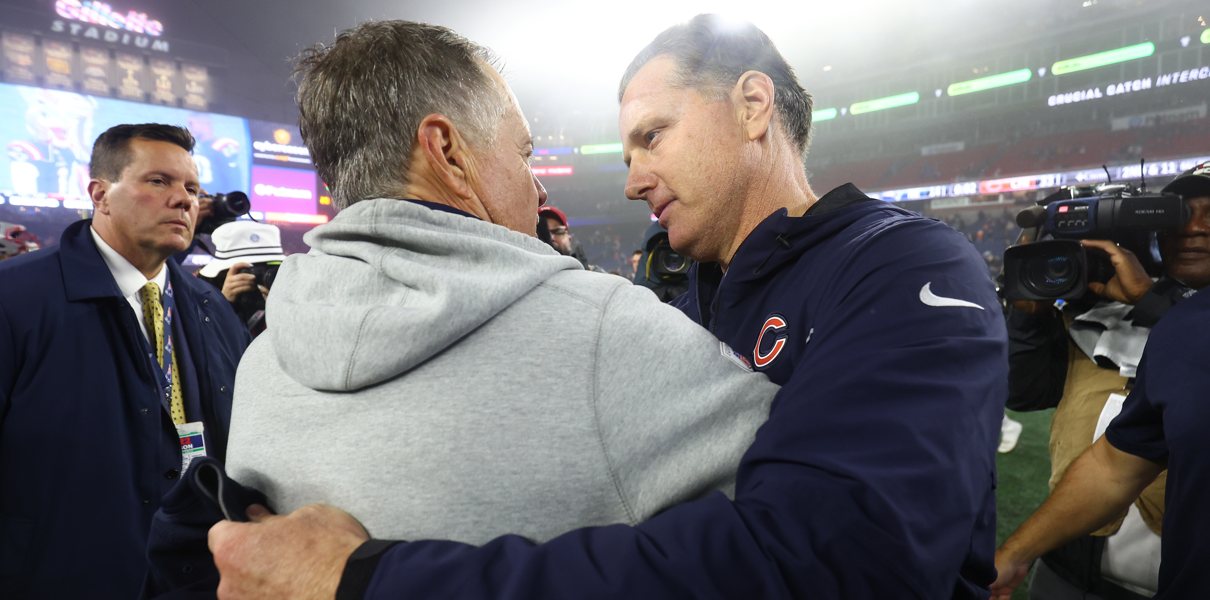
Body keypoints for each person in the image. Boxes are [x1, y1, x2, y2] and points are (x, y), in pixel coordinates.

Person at [209, 15, 1006, 598]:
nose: (629, 179)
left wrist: (374, 579)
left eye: (652, 137)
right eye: (625, 151)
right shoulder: (665, 298)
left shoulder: (907, 265)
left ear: (754, 106)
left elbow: (853, 558)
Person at [0, 123, 249, 596]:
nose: (183, 200)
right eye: (159, 181)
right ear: (100, 194)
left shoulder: (209, 306)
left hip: (192, 579)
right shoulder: (15, 298)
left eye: (191, 188)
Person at [997, 162, 1210, 599]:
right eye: (1179, 212)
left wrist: (1153, 302)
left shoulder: (1181, 323)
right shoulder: (1098, 307)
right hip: (1067, 564)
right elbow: (1025, 392)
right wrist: (1029, 317)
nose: (1194, 228)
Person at [198, 220, 288, 338]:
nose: (262, 276)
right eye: (249, 270)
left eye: (269, 268)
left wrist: (286, 313)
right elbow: (202, 345)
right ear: (225, 273)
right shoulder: (201, 295)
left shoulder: (292, 296)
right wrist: (224, 305)